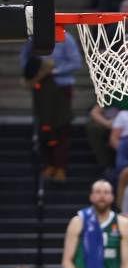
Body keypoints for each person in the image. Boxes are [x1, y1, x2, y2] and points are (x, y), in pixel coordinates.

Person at [61, 180, 128, 268]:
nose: (102, 196)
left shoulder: (122, 223)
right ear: (91, 196)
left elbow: (126, 264)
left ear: (112, 197)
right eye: (98, 192)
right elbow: (66, 262)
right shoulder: (78, 221)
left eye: (106, 192)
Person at [20, 32, 82, 182]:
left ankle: (61, 166)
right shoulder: (33, 38)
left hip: (61, 88)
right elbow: (24, 58)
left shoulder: (67, 39)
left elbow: (76, 62)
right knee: (44, 127)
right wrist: (30, 73)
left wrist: (53, 70)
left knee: (61, 127)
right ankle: (48, 165)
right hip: (41, 88)